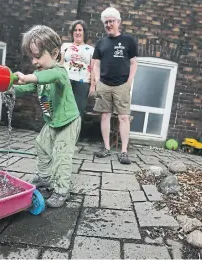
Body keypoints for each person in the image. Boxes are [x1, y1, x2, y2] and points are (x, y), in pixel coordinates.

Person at [9, 25, 81, 207]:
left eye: (38, 56)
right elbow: (27, 87)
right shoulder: (39, 75)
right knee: (41, 145)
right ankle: (45, 177)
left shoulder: (60, 72)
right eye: (32, 56)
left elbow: (48, 76)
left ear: (55, 53)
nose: (34, 61)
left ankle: (61, 190)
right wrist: (8, 87)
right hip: (52, 122)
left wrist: (28, 77)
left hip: (68, 122)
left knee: (61, 155)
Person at [90, 7, 138, 164]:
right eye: (106, 22)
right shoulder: (101, 43)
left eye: (111, 21)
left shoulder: (128, 41)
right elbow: (95, 64)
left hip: (122, 85)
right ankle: (106, 148)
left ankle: (124, 152)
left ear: (118, 22)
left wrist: (129, 82)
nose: (109, 24)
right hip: (104, 84)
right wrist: (96, 80)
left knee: (124, 117)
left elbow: (133, 63)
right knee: (105, 115)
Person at [60, 20, 95, 117]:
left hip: (83, 83)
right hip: (66, 81)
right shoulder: (65, 46)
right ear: (72, 33)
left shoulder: (91, 49)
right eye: (75, 30)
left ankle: (74, 132)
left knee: (78, 111)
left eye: (80, 30)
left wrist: (93, 86)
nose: (77, 32)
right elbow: (60, 63)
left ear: (84, 32)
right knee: (63, 109)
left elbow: (93, 68)